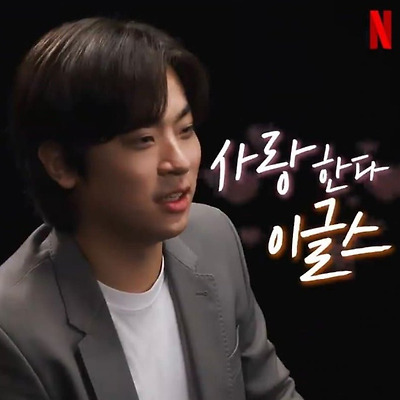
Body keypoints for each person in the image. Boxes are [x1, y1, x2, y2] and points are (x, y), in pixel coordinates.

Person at [0, 16, 304, 400]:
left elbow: (272, 392)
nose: (178, 161)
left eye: (185, 130)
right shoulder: (13, 329)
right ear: (61, 164)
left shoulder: (213, 237)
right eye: (144, 139)